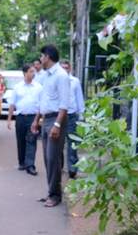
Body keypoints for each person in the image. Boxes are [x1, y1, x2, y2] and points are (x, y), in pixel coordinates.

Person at [31, 44, 70, 208]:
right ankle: (52, 191)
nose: (40, 59)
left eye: (42, 56)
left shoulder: (61, 76)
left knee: (53, 158)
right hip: (46, 119)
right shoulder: (46, 76)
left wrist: (57, 125)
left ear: (47, 57)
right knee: (48, 160)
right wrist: (36, 120)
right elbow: (43, 101)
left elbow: (64, 104)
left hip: (56, 120)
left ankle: (55, 195)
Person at [7, 64, 42, 176]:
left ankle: (30, 165)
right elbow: (12, 104)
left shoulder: (38, 87)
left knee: (31, 140)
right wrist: (9, 120)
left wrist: (38, 120)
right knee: (21, 140)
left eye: (33, 71)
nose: (33, 74)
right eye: (31, 71)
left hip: (33, 117)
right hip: (21, 117)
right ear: (25, 73)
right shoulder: (17, 87)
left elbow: (41, 105)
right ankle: (22, 162)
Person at [60, 60, 85, 179]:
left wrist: (81, 115)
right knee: (59, 143)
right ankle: (59, 166)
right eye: (62, 68)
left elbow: (79, 98)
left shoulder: (75, 81)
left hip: (71, 115)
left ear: (70, 69)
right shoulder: (57, 81)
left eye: (66, 67)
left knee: (72, 143)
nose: (64, 69)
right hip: (59, 115)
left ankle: (72, 169)